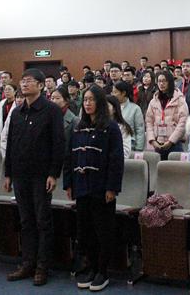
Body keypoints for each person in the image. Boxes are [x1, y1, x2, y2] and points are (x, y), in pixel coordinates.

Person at [4, 69, 64, 286]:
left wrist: (53, 173)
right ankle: (27, 263)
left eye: (29, 81)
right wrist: (8, 173)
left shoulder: (51, 110)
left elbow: (58, 143)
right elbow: (11, 144)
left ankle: (42, 266)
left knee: (42, 221)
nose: (24, 84)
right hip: (20, 174)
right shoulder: (17, 112)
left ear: (40, 85)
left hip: (41, 176)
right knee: (26, 221)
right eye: (22, 81)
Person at [64, 86, 124, 291]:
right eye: (85, 100)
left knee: (102, 231)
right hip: (81, 187)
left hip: (101, 188)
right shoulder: (78, 127)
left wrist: (112, 188)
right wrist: (69, 183)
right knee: (85, 231)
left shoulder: (111, 128)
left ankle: (102, 272)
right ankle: (91, 268)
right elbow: (70, 157)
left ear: (100, 102)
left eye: (91, 100)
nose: (88, 103)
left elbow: (116, 160)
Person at [145, 71, 189, 160]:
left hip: (175, 144)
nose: (161, 83)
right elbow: (149, 122)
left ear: (170, 82)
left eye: (164, 81)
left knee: (174, 168)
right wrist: (152, 140)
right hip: (158, 143)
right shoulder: (153, 101)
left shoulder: (180, 100)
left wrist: (171, 141)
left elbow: (182, 123)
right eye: (159, 81)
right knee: (159, 167)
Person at [112, 81, 145, 152]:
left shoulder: (135, 109)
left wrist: (139, 148)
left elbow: (139, 130)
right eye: (112, 92)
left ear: (123, 93)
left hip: (130, 146)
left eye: (115, 92)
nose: (113, 95)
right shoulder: (111, 108)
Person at [49, 87, 79, 157]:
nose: (54, 101)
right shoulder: (47, 117)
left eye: (57, 98)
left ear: (66, 100)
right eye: (52, 98)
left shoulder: (74, 120)